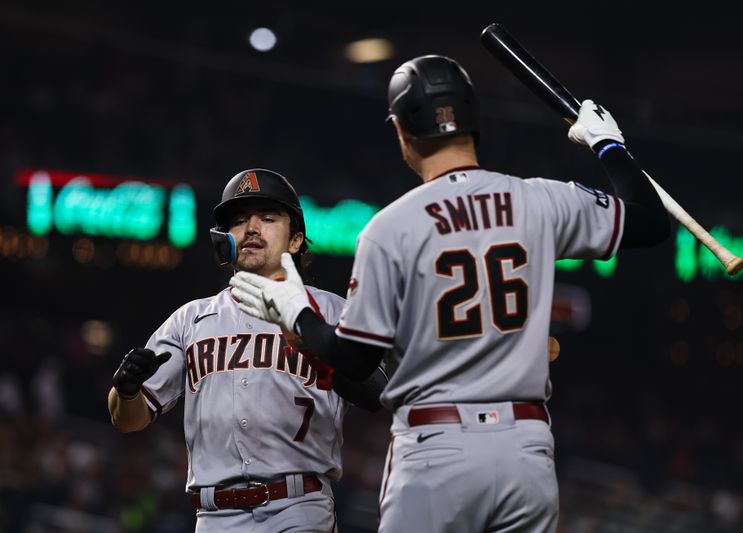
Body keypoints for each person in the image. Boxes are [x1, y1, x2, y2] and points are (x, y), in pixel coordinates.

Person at [230, 55, 670, 533]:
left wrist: (298, 313)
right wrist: (608, 145)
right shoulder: (541, 199)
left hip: (436, 446)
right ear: (473, 122)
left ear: (401, 131)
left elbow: (354, 360)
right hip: (527, 449)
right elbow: (649, 221)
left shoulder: (391, 227)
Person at [108, 168, 387, 533]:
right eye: (239, 221)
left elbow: (379, 392)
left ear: (296, 240)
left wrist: (318, 342)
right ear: (224, 240)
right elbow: (129, 419)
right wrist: (125, 390)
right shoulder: (190, 320)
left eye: (268, 218)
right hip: (213, 517)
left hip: (299, 509)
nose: (251, 228)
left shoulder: (332, 312)